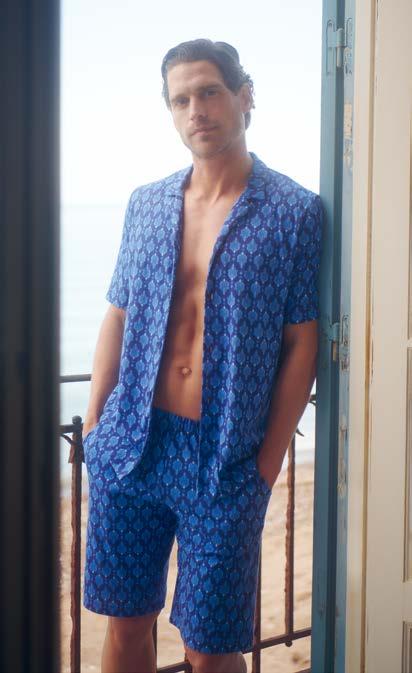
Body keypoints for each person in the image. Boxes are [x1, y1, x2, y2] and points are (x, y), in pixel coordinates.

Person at [82, 38, 323, 673]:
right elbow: (117, 314)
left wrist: (265, 466)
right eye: (180, 99)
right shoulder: (146, 203)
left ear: (246, 97)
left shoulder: (295, 213)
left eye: (210, 92)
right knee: (126, 628)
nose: (197, 110)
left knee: (212, 650)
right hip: (132, 444)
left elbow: (302, 342)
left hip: (224, 459)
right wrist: (97, 422)